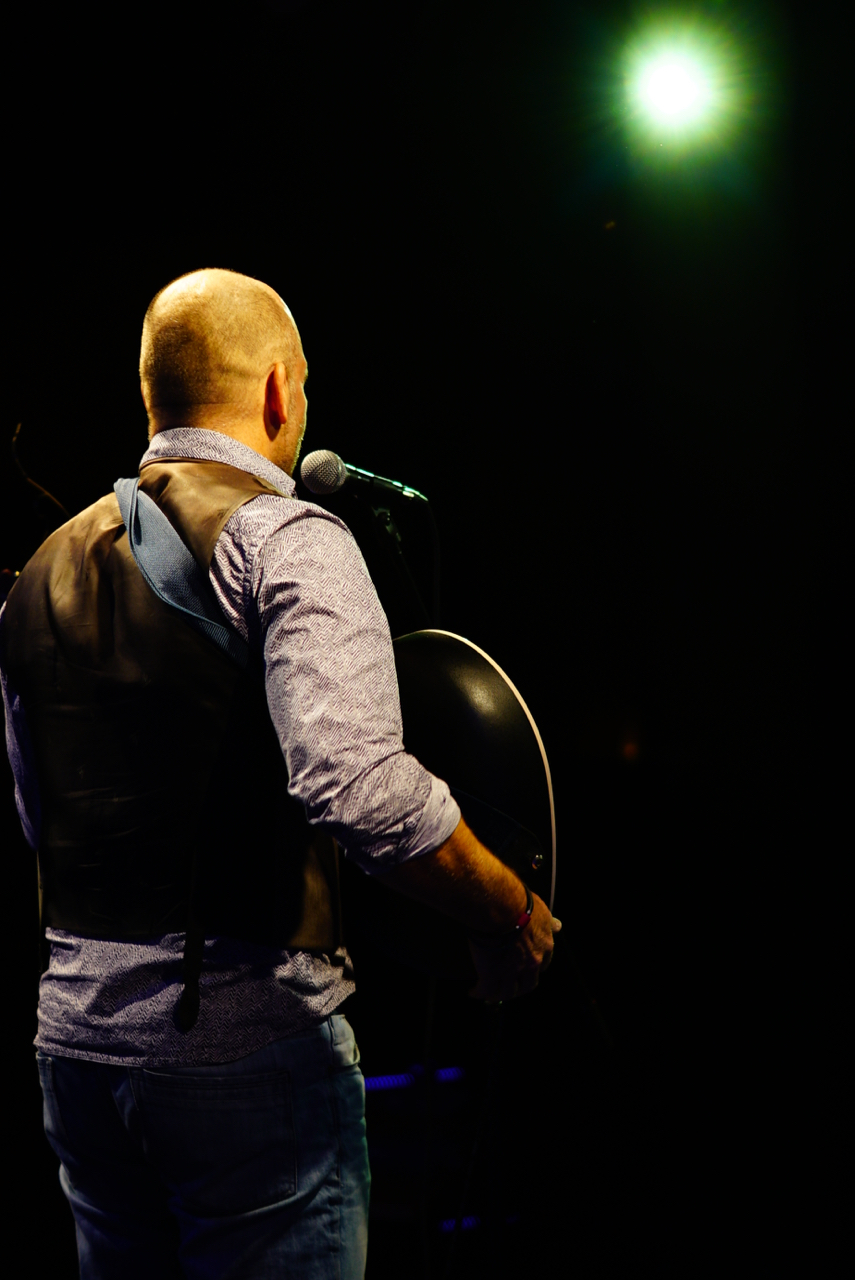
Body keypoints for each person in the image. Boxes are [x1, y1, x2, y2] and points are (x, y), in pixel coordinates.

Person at [0, 268, 559, 1280]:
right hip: (246, 1058)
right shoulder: (288, 536)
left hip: (74, 1055)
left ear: (153, 395)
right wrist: (505, 908)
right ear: (275, 388)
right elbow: (356, 787)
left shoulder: (40, 569)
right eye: (303, 383)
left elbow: (42, 820)